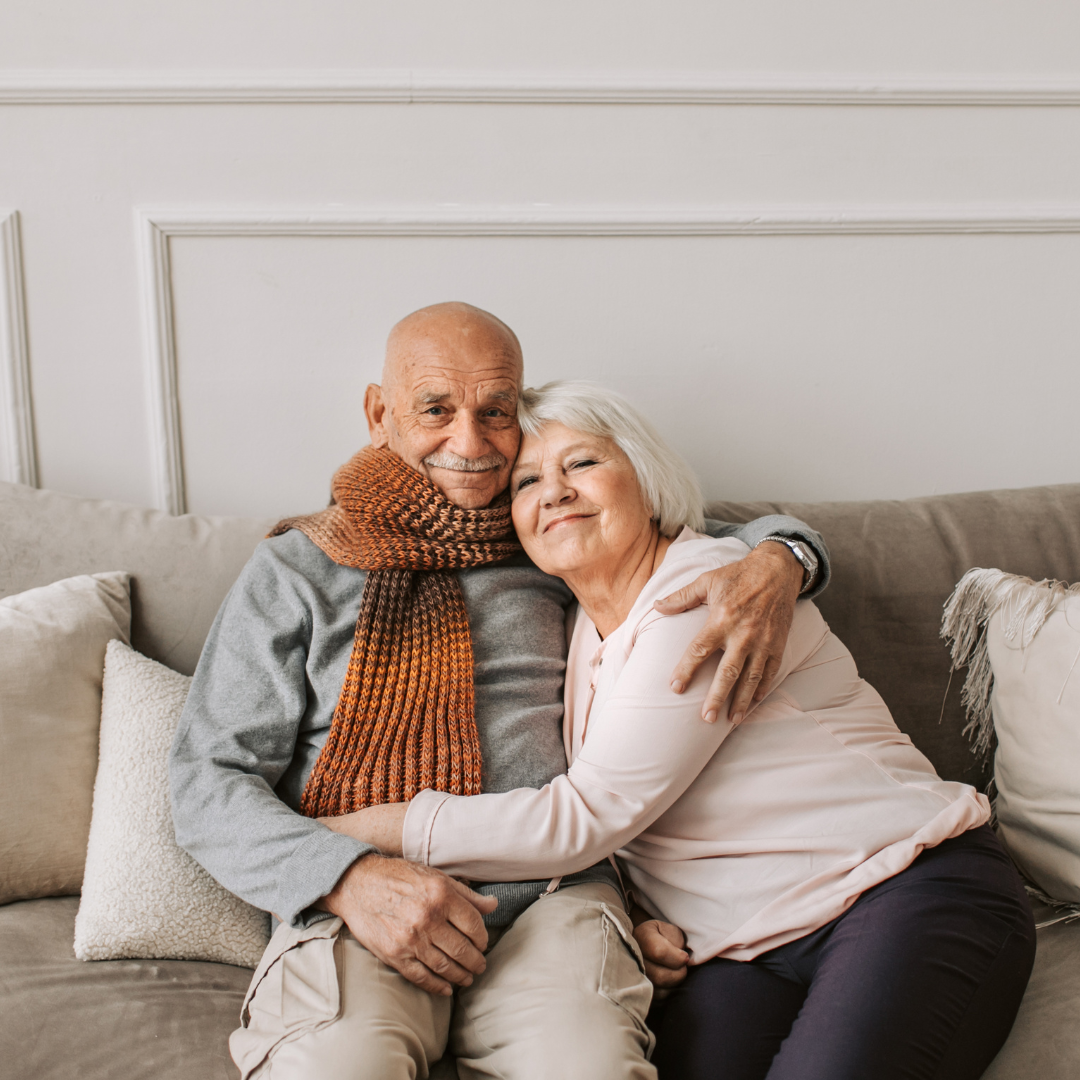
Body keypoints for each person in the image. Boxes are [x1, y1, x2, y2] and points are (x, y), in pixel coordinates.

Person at [168, 303, 831, 1080]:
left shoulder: (550, 530)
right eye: (436, 411)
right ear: (380, 414)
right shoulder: (299, 569)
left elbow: (702, 533)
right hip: (360, 900)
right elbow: (205, 780)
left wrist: (787, 556)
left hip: (552, 896)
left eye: (495, 412)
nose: (471, 443)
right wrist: (344, 878)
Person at [336, 379, 1037, 1080]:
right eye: (526, 480)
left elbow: (587, 815)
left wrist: (351, 833)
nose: (553, 491)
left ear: (647, 478)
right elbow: (638, 812)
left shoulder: (711, 590)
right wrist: (637, 914)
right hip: (744, 950)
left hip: (902, 888)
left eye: (582, 463)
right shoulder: (572, 632)